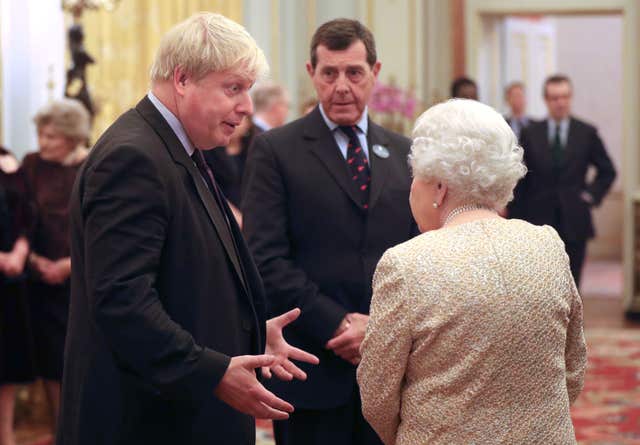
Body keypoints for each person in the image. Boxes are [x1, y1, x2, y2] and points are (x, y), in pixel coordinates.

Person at [57, 13, 317, 445]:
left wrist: (247, 329)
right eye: (233, 88)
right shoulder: (133, 158)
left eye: (248, 90)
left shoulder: (173, 146)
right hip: (145, 423)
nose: (247, 107)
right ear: (182, 79)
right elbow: (122, 300)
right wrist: (212, 371)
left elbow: (183, 276)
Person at [357, 99, 587, 445]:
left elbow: (377, 394)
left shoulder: (406, 264)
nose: (411, 188)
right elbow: (573, 368)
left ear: (439, 188)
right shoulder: (548, 245)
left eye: (415, 177)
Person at [242, 18, 418, 445]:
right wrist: (339, 324)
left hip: (390, 367)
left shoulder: (404, 152)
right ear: (311, 73)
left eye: (354, 73)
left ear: (374, 73)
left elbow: (421, 254)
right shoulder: (274, 151)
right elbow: (265, 258)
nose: (342, 86)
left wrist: (377, 328)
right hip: (311, 367)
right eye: (330, 73)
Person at [508, 74, 616, 286]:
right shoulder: (531, 133)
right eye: (555, 97)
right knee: (540, 281)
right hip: (537, 219)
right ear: (546, 100)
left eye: (565, 97)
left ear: (571, 98)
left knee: (572, 281)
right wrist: (514, 217)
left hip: (574, 217)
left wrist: (591, 195)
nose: (561, 102)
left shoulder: (586, 132)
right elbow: (519, 176)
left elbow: (607, 171)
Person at [21, 99, 90, 427]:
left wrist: (67, 265)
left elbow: (98, 228)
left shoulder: (91, 167)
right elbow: (19, 220)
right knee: (48, 359)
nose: (42, 142)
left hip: (81, 280)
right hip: (38, 278)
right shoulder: (31, 164)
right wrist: (34, 261)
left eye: (50, 136)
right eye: (40, 134)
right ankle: (59, 427)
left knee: (78, 358)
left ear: (73, 137)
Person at [0, 147, 35, 445]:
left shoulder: (9, 159)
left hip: (10, 282)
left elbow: (25, 213)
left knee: (7, 364)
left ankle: (7, 435)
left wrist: (20, 251)